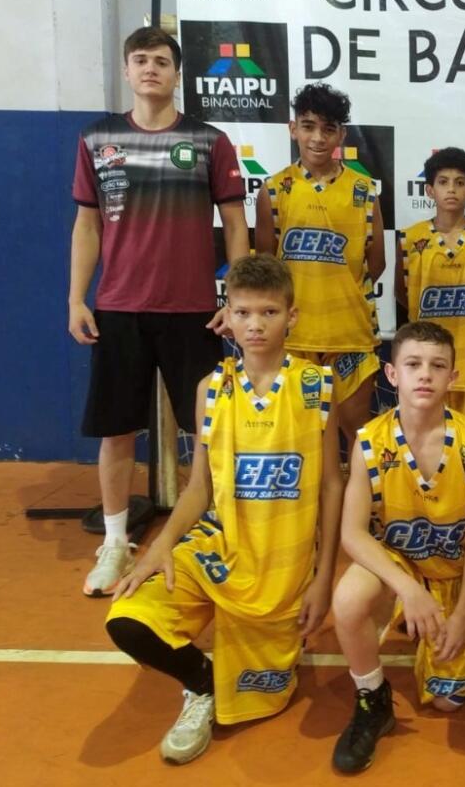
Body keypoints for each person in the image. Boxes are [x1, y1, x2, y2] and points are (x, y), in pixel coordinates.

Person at [104, 254, 344, 764]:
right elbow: (199, 487)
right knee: (128, 619)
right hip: (219, 546)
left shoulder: (317, 386)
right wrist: (160, 545)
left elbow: (330, 486)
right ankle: (201, 684)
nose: (255, 324)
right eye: (243, 312)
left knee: (264, 697)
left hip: (281, 568)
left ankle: (240, 665)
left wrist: (324, 577)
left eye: (269, 312)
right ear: (227, 316)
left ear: (291, 316)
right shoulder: (211, 389)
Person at [70, 26, 249, 597]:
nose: (151, 68)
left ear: (177, 74)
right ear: (127, 70)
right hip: (118, 308)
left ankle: (215, 534)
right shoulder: (97, 139)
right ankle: (115, 543)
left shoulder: (209, 141)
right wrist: (76, 298)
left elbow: (236, 224)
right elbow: (87, 225)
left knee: (208, 431)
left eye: (162, 61)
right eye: (141, 60)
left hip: (192, 311)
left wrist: (236, 299)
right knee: (117, 430)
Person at [331, 321, 465, 773]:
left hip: (452, 572)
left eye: (437, 366)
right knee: (348, 600)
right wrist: (407, 589)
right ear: (392, 374)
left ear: (453, 377)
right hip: (401, 565)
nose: (425, 374)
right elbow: (352, 533)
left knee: (447, 702)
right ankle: (372, 698)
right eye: (413, 364)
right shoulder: (369, 441)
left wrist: (462, 612)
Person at [254, 82, 385, 457]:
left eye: (328, 129)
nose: (317, 138)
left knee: (357, 435)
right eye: (308, 126)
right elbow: (266, 268)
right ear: (292, 129)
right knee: (298, 438)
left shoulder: (364, 191)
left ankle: (354, 498)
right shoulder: (275, 190)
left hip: (351, 336)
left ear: (341, 135)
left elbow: (376, 263)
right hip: (294, 337)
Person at [396, 147, 465, 426]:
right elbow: (402, 293)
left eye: (460, 183)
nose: (451, 189)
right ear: (429, 190)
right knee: (424, 437)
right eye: (443, 182)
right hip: (425, 367)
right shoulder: (410, 239)